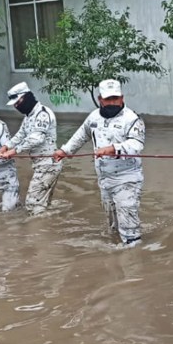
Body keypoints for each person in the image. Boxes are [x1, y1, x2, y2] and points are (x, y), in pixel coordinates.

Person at [54, 80, 146, 245]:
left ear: (122, 98)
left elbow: (136, 145)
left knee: (129, 227)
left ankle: (133, 258)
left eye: (115, 98)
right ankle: (116, 257)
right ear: (100, 99)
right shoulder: (94, 117)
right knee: (113, 225)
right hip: (105, 180)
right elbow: (81, 135)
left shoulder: (132, 119)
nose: (112, 102)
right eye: (108, 99)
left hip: (127, 179)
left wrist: (113, 148)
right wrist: (65, 151)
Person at [0, 82, 64, 214]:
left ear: (26, 97)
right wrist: (4, 147)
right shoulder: (29, 116)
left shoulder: (42, 114)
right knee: (42, 205)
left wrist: (13, 152)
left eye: (18, 102)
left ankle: (37, 231)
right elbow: (21, 135)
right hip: (40, 165)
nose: (16, 106)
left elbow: (37, 138)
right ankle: (50, 228)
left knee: (32, 204)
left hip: (48, 164)